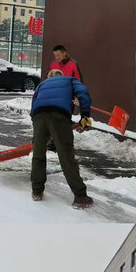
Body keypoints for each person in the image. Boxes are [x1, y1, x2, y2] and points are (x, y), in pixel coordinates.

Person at [29, 69, 94, 208]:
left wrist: (39, 124)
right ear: (61, 76)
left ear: (50, 77)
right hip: (59, 114)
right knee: (66, 155)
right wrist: (85, 114)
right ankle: (80, 196)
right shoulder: (70, 80)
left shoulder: (43, 84)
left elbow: (34, 102)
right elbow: (83, 93)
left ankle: (37, 191)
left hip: (38, 115)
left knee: (38, 154)